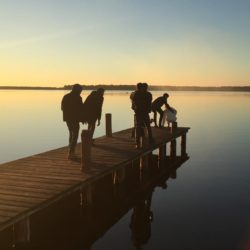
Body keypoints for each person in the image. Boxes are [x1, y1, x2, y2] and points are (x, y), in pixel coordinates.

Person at [61, 84, 83, 159]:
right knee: (75, 134)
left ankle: (70, 149)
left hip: (67, 118)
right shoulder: (78, 97)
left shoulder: (66, 96)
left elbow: (62, 107)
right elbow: (81, 109)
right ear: (77, 90)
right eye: (80, 90)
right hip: (75, 118)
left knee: (71, 133)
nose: (81, 92)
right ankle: (71, 152)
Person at [132, 83, 154, 148]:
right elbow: (150, 103)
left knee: (138, 127)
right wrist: (149, 110)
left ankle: (137, 143)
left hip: (138, 113)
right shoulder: (149, 94)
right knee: (148, 126)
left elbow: (134, 104)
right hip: (145, 112)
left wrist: (134, 108)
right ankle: (150, 140)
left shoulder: (136, 94)